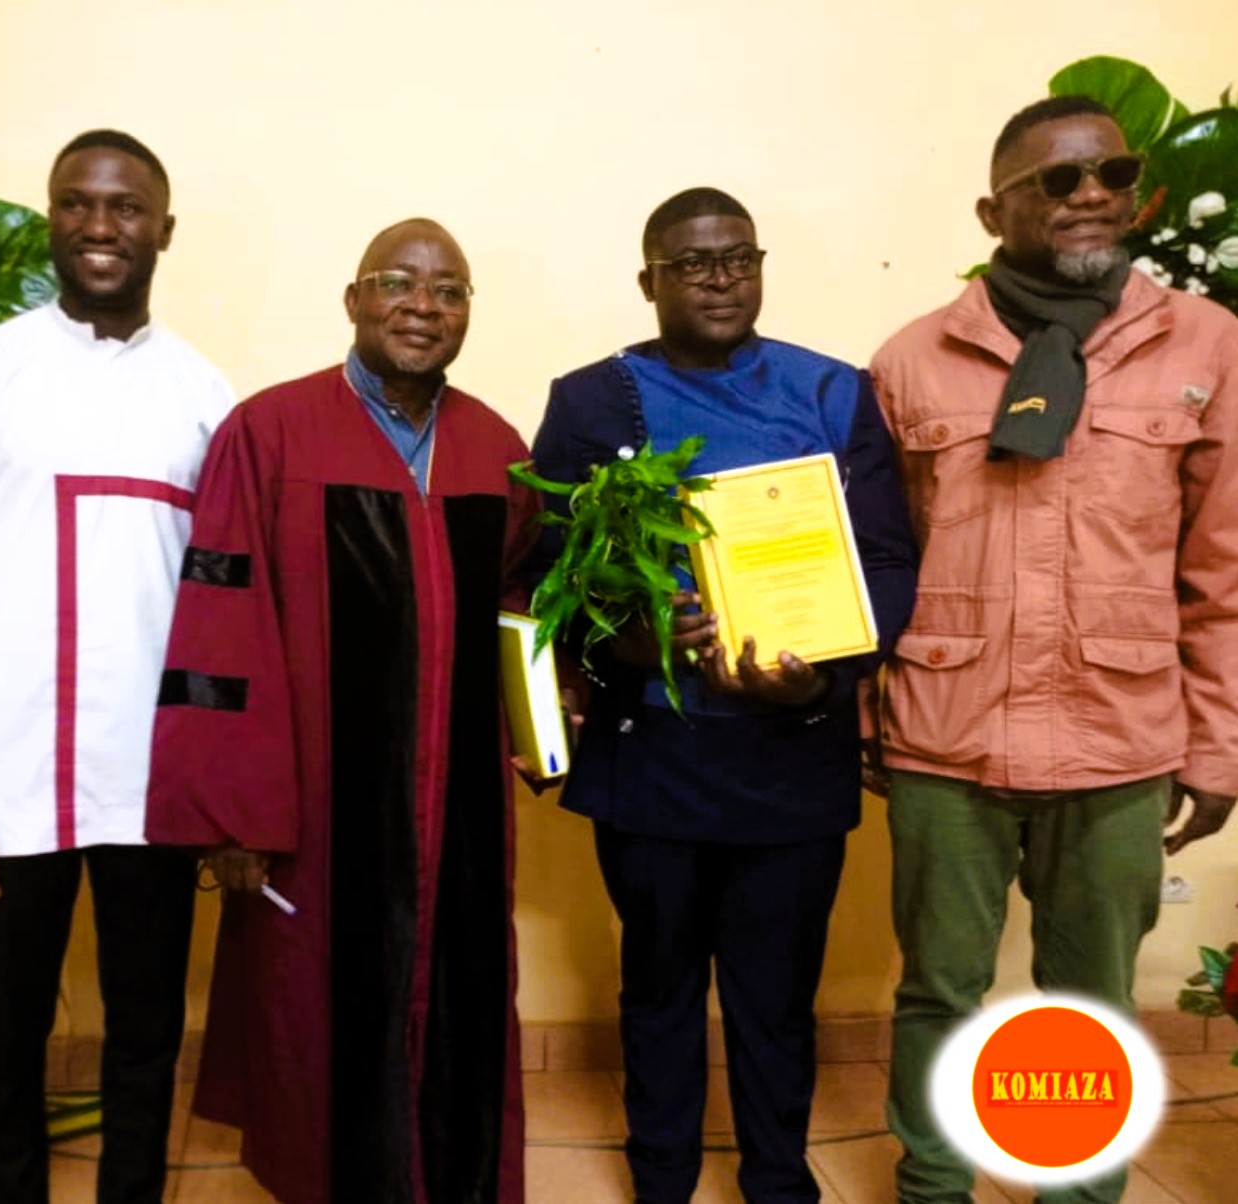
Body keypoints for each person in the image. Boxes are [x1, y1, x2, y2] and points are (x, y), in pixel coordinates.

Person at [872, 95, 1238, 1204]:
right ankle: (933, 1187)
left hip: (1118, 740)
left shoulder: (1207, 346)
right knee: (940, 993)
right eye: (1057, 180)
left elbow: (1223, 572)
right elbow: (878, 568)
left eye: (1111, 174)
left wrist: (1218, 743)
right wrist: (865, 717)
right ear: (994, 212)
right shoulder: (912, 360)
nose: (1090, 196)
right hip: (947, 740)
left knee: (1091, 1007)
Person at [526, 188, 918, 1203]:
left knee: (776, 995)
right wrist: (638, 628)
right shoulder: (592, 400)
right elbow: (551, 571)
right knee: (658, 986)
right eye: (694, 263)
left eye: (739, 258)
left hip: (793, 749)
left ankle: (778, 1180)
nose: (720, 279)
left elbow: (886, 559)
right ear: (648, 279)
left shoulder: (833, 391)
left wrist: (824, 668)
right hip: (655, 753)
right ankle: (661, 1176)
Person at [144, 218, 536, 1204]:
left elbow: (522, 609)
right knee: (315, 1023)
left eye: (449, 290)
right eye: (398, 282)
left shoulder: (497, 448)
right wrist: (234, 817)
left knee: (459, 1003)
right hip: (318, 818)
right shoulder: (270, 433)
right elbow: (221, 627)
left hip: (460, 815)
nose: (423, 306)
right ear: (355, 299)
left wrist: (546, 725)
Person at [0, 129, 233, 1203]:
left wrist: (219, 786)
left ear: (164, 230)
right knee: (6, 1039)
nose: (99, 225)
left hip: (151, 784)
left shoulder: (206, 396)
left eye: (125, 207)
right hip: (6, 784)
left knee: (146, 1033)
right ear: (51, 219)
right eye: (77, 202)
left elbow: (227, 616)